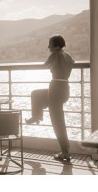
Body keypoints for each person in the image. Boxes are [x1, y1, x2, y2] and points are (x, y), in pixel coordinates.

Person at [26, 34, 74, 162]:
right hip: (64, 88)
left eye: (50, 44)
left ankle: (65, 152)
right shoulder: (68, 55)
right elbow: (70, 65)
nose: (48, 46)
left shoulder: (55, 55)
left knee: (57, 121)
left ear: (57, 46)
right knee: (36, 94)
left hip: (55, 88)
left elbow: (45, 65)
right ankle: (37, 115)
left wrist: (52, 62)